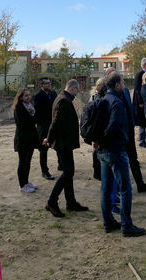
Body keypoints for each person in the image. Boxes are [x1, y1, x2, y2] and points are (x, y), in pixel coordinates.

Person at [97, 73, 146, 237]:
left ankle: (108, 222)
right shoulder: (117, 102)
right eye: (123, 82)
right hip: (115, 150)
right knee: (125, 188)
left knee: (105, 188)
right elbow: (114, 126)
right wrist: (107, 139)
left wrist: (99, 141)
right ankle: (127, 225)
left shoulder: (104, 99)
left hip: (103, 151)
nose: (124, 85)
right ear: (117, 85)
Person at [43, 79, 88, 217]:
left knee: (69, 172)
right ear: (73, 88)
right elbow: (55, 123)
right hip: (63, 143)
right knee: (68, 172)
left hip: (65, 142)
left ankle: (71, 202)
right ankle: (52, 202)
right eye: (77, 90)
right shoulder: (63, 100)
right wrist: (48, 139)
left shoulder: (62, 98)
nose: (77, 93)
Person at [14, 88, 41, 193]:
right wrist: (33, 119)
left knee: (28, 162)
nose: (28, 97)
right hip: (22, 139)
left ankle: (26, 182)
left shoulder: (30, 107)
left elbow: (35, 120)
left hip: (30, 139)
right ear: (20, 97)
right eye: (26, 95)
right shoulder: (18, 108)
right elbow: (22, 125)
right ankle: (22, 185)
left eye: (29, 95)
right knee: (22, 162)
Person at [32, 77, 57, 180]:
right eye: (46, 84)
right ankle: (45, 171)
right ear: (41, 86)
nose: (49, 85)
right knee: (43, 150)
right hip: (43, 126)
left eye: (50, 83)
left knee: (58, 145)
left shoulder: (53, 94)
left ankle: (61, 165)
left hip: (54, 125)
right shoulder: (37, 97)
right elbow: (36, 114)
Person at [134, 58, 146, 148]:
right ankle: (142, 140)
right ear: (144, 64)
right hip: (141, 102)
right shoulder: (140, 74)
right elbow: (137, 89)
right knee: (142, 122)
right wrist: (140, 102)